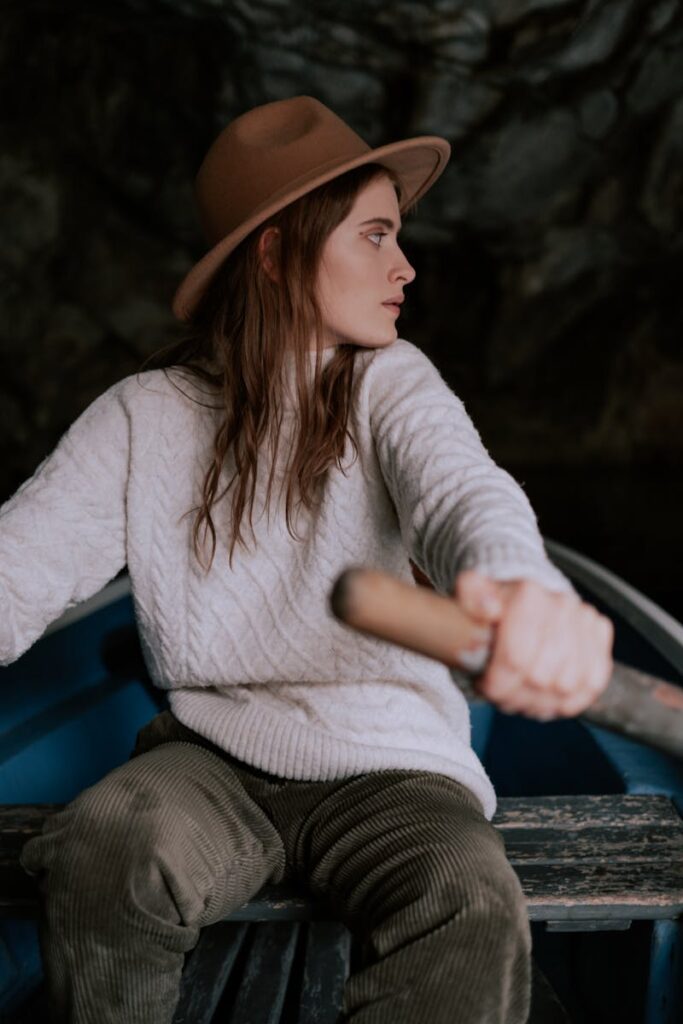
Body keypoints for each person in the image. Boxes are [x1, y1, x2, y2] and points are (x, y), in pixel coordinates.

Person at [2, 96, 614, 1023]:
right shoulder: (142, 416)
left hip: (392, 771)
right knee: (105, 847)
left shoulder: (391, 382)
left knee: (469, 900)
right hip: (210, 758)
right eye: (374, 235)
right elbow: (17, 568)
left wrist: (519, 595)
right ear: (276, 251)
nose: (404, 266)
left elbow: (463, 496)